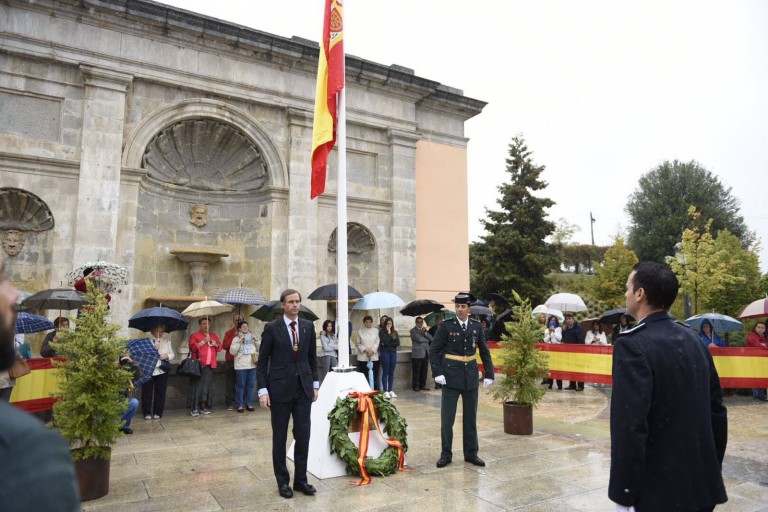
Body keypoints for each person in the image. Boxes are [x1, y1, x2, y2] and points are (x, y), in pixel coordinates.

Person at [609, 262, 727, 511]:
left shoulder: (631, 344)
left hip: (657, 492)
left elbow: (629, 424)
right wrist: (711, 470)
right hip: (702, 486)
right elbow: (717, 411)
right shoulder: (694, 339)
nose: (626, 293)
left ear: (640, 294)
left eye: (628, 287)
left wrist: (624, 492)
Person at [0, 255, 81, 510]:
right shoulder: (31, 446)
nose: (13, 294)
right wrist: (54, 343)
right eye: (1, 280)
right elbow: (45, 352)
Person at [256, 289, 319, 499]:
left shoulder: (308, 326)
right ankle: (282, 481)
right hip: (279, 390)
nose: (295, 305)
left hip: (303, 389)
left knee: (303, 436)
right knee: (280, 437)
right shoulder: (272, 328)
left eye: (297, 301)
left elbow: (312, 358)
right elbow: (262, 361)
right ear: (283, 305)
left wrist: (315, 384)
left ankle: (301, 480)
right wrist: (262, 390)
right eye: (290, 302)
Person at [429, 292, 494, 469]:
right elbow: (433, 350)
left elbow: (484, 351)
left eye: (463, 306)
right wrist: (437, 373)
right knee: (447, 419)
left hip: (470, 377)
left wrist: (489, 373)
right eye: (457, 306)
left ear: (468, 308)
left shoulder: (476, 326)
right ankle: (446, 454)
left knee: (470, 418)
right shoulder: (446, 326)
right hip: (450, 377)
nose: (459, 309)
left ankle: (471, 453)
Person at [188, 317, 222, 416]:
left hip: (210, 365)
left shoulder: (213, 335)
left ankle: (204, 406)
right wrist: (203, 341)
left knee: (206, 387)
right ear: (200, 325)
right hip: (198, 365)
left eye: (207, 323)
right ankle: (194, 407)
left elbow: (220, 347)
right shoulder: (195, 335)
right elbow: (192, 348)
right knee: (197, 386)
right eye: (203, 323)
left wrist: (215, 344)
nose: (206, 325)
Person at [141, 324, 174, 420]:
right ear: (152, 332)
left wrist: (167, 356)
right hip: (148, 370)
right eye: (157, 331)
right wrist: (154, 350)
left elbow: (172, 354)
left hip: (162, 370)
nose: (160, 333)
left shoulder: (167, 342)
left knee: (160, 392)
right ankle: (147, 413)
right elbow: (142, 355)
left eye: (162, 331)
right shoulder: (146, 341)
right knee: (147, 392)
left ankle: (158, 412)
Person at [229, 320, 259, 412]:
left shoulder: (252, 337)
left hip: (252, 365)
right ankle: (239, 405)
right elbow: (232, 352)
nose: (246, 328)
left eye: (247, 326)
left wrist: (256, 340)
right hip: (240, 366)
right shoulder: (236, 338)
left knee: (251, 385)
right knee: (240, 385)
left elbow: (261, 348)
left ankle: (249, 404)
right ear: (239, 329)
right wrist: (239, 342)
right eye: (243, 326)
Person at [221, 314, 244, 411]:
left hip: (242, 362)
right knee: (230, 384)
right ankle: (229, 403)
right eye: (236, 320)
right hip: (231, 361)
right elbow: (225, 346)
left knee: (241, 383)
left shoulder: (247, 332)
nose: (238, 321)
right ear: (233, 321)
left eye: (240, 320)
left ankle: (240, 402)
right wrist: (233, 337)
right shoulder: (229, 332)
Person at [354, 315, 380, 389]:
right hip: (363, 356)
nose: (368, 323)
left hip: (373, 355)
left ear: (372, 323)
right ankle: (364, 389)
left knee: (374, 374)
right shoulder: (360, 331)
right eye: (366, 322)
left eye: (369, 322)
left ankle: (373, 389)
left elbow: (377, 342)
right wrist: (365, 350)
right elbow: (357, 343)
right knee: (363, 374)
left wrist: (372, 351)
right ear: (364, 323)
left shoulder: (376, 331)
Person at [562, 313, 585, 390]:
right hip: (569, 352)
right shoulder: (566, 328)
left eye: (570, 318)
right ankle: (572, 384)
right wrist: (564, 331)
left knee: (579, 368)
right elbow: (564, 339)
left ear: (573, 319)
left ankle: (580, 386)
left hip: (578, 352)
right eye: (567, 319)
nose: (568, 320)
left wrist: (579, 351)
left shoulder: (578, 327)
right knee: (570, 368)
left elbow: (581, 340)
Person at [745, 321, 767, 401]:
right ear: (755, 328)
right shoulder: (751, 336)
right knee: (757, 376)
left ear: (765, 329)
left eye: (762, 328)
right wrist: (765, 345)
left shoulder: (763, 336)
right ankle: (758, 395)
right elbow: (759, 346)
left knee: (761, 376)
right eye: (759, 327)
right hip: (753, 360)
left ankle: (759, 395)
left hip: (760, 360)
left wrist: (765, 345)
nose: (760, 329)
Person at [379, 316, 400, 398]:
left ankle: (390, 390)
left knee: (391, 372)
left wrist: (388, 342)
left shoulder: (395, 332)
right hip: (385, 352)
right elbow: (385, 341)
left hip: (393, 353)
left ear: (392, 324)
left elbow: (397, 343)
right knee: (385, 371)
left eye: (390, 324)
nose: (389, 325)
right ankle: (385, 390)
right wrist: (388, 333)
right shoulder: (382, 332)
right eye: (387, 323)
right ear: (385, 324)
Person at [410, 317, 432, 392]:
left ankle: (423, 385)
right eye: (418, 322)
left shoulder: (424, 330)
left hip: (425, 353)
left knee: (424, 371)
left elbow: (431, 339)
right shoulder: (413, 331)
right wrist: (426, 339)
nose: (420, 323)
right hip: (417, 354)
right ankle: (415, 386)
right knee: (416, 371)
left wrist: (425, 332)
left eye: (421, 322)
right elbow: (419, 339)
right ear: (416, 322)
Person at [542, 315, 563, 390]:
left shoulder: (558, 329)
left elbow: (559, 338)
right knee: (550, 367)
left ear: (556, 322)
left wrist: (554, 331)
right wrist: (550, 333)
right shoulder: (546, 330)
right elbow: (545, 340)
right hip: (549, 350)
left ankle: (559, 384)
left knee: (558, 367)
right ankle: (550, 384)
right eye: (551, 320)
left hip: (557, 350)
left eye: (554, 320)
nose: (552, 321)